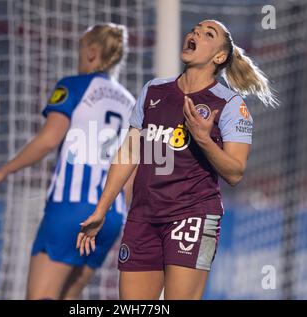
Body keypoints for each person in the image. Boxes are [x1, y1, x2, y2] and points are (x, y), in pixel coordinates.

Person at [77, 19, 277, 300]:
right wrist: (101, 209)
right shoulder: (153, 91)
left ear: (219, 56)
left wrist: (204, 138)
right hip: (143, 217)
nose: (196, 33)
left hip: (191, 216)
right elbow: (129, 153)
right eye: (195, 29)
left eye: (209, 34)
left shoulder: (230, 105)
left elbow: (235, 172)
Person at [0, 23, 136, 299]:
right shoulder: (131, 103)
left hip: (72, 208)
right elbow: (131, 171)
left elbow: (48, 140)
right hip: (112, 215)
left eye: (79, 51)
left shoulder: (73, 86)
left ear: (91, 53)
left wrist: (2, 171)